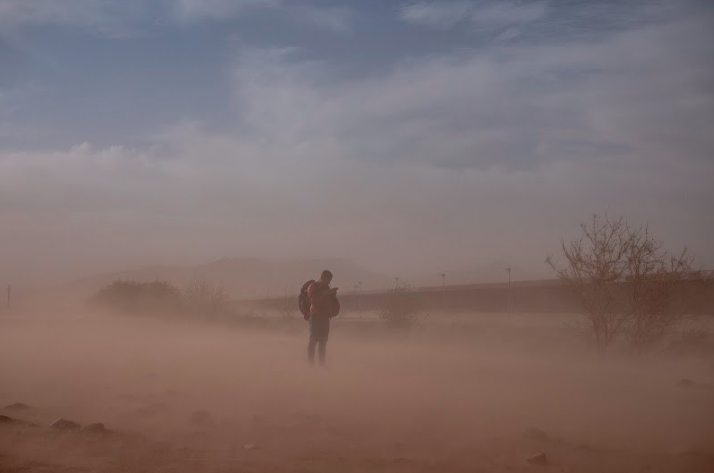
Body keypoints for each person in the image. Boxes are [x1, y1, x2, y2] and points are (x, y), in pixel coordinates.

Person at [307, 270, 337, 365]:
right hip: (315, 317)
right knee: (313, 340)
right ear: (323, 277)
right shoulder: (313, 286)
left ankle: (322, 364)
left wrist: (332, 295)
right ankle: (310, 364)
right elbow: (312, 300)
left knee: (323, 341)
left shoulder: (327, 288)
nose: (329, 282)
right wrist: (325, 294)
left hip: (325, 318)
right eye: (328, 280)